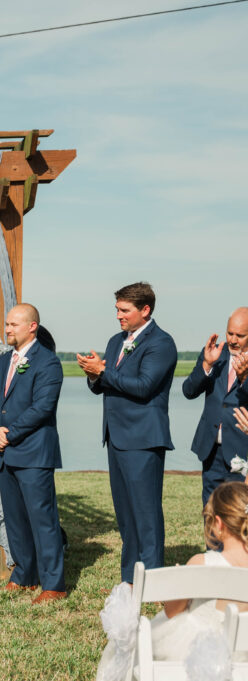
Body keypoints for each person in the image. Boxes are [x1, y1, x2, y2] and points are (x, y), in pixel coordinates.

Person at [77, 282, 178, 584]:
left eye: (124, 310)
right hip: (117, 437)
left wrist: (104, 373)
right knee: (125, 513)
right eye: (117, 309)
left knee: (146, 513)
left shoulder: (161, 343)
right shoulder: (115, 341)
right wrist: (93, 376)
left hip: (144, 439)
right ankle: (129, 577)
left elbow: (145, 386)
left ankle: (153, 578)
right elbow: (105, 384)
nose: (118, 315)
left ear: (145, 310)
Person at [96, 481, 248, 680]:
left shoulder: (201, 563)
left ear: (219, 524)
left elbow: (172, 611)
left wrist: (177, 588)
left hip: (194, 655)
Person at [0, 304, 66, 604]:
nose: (8, 329)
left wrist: (9, 434)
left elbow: (42, 408)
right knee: (16, 521)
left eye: (14, 324)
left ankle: (54, 584)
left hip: (33, 453)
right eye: (6, 324)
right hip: (4, 453)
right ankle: (25, 575)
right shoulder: (1, 363)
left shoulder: (49, 363)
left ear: (32, 327)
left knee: (43, 520)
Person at [182, 307, 248, 506]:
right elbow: (188, 391)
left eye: (240, 335)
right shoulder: (214, 353)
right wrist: (206, 366)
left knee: (239, 514)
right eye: (230, 333)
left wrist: (245, 379)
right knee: (211, 512)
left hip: (242, 450)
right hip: (211, 450)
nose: (233, 340)